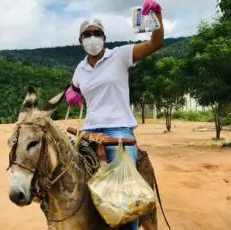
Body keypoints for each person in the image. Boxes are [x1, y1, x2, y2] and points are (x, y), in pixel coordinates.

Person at [66, 1, 164, 229]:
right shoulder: (79, 69)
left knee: (126, 191)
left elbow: (155, 43)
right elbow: (75, 88)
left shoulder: (120, 55)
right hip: (88, 130)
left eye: (96, 33)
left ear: (104, 37)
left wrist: (157, 16)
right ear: (81, 41)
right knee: (65, 175)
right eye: (87, 34)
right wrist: (74, 93)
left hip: (119, 129)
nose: (92, 37)